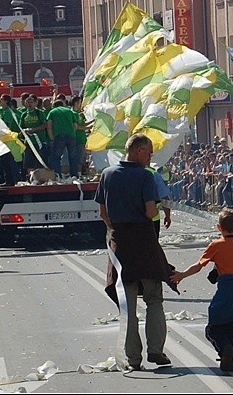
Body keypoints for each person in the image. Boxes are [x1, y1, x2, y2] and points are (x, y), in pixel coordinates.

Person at [94, 134, 179, 371]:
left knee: (127, 305)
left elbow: (102, 212)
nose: (150, 157)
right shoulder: (145, 176)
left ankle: (133, 358)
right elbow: (150, 210)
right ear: (139, 151)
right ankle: (156, 350)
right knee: (154, 299)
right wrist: (144, 219)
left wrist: (115, 229)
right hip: (144, 241)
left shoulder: (107, 174)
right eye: (149, 152)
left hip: (119, 243)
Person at [170, 209, 233, 371]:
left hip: (226, 289)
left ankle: (225, 349)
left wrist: (181, 275)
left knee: (213, 329)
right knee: (232, 327)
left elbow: (199, 266)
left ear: (219, 227)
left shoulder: (216, 245)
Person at [46, 99, 79, 177]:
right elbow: (75, 125)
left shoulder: (52, 112)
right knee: (72, 156)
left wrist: (51, 138)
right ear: (62, 104)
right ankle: (74, 175)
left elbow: (49, 126)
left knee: (56, 157)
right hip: (71, 135)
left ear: (54, 105)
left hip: (59, 135)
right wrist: (72, 133)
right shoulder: (69, 111)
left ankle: (58, 176)